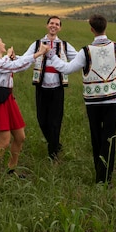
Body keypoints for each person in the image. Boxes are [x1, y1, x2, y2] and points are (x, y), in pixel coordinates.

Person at [49, 14, 116, 184]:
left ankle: (98, 175)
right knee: (109, 138)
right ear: (105, 27)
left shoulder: (85, 51)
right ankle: (107, 178)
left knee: (96, 137)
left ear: (91, 29)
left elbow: (66, 68)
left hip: (92, 101)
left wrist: (51, 56)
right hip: (112, 99)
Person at [0, 34, 48, 177]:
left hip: (9, 100)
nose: (4, 43)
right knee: (4, 142)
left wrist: (13, 56)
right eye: (1, 41)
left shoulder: (3, 61)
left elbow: (18, 66)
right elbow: (14, 65)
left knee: (20, 137)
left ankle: (11, 170)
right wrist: (39, 53)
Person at [22, 16, 78, 161]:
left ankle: (53, 154)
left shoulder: (64, 45)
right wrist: (13, 59)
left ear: (60, 28)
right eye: (51, 23)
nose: (54, 26)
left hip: (57, 88)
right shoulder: (37, 44)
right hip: (41, 86)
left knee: (55, 120)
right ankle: (54, 143)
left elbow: (78, 58)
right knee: (42, 119)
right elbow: (26, 58)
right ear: (47, 25)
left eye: (57, 24)